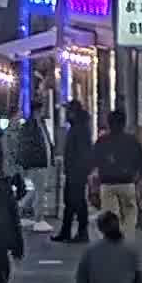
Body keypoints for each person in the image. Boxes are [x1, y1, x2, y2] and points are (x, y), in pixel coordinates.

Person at [89, 109, 142, 235]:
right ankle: (126, 242)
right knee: (130, 216)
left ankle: (111, 244)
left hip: (107, 184)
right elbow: (141, 162)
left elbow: (93, 163)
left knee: (110, 218)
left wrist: (93, 186)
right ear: (124, 123)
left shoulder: (102, 141)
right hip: (127, 183)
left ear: (109, 123)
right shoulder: (132, 141)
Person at [57, 101, 93, 244]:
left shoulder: (80, 128)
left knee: (78, 202)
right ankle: (66, 232)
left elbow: (83, 152)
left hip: (77, 172)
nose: (65, 114)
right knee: (70, 202)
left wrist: (80, 170)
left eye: (67, 111)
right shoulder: (77, 127)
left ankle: (82, 233)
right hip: (73, 171)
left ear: (73, 112)